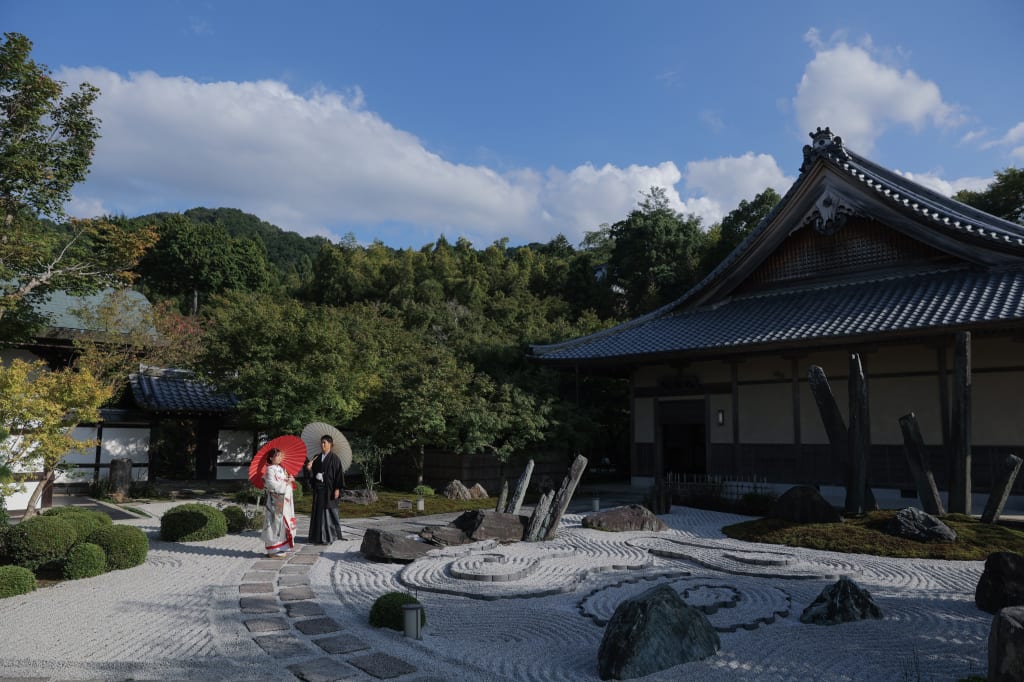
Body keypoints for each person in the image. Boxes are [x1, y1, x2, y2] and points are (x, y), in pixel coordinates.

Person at [305, 435, 343, 544]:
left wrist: (337, 489)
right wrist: (310, 470)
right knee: (318, 512)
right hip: (319, 489)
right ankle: (317, 537)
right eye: (321, 443)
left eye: (324, 443)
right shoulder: (317, 457)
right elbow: (312, 473)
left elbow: (339, 474)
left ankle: (330, 536)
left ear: (330, 444)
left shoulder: (335, 458)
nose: (322, 445)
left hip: (330, 489)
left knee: (329, 511)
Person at [261, 448, 297, 558]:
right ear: (271, 458)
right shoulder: (269, 469)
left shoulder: (282, 469)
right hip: (275, 501)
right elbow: (272, 485)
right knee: (275, 524)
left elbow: (286, 484)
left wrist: (290, 480)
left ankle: (281, 547)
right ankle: (273, 550)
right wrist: (287, 482)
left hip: (284, 500)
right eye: (277, 455)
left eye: (281, 455)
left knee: (283, 524)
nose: (280, 457)